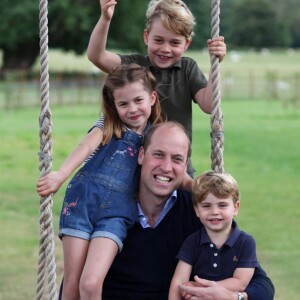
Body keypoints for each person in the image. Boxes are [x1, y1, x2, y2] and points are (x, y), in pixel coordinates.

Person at [59, 121, 275, 300]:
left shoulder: (197, 211)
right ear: (141, 155)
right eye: (159, 155)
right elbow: (76, 285)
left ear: (185, 165)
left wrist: (233, 296)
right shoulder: (108, 209)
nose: (166, 167)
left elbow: (262, 286)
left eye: (177, 159)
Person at [36, 64, 164, 300]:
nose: (132, 109)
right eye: (123, 104)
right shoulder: (108, 124)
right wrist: (60, 175)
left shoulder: (155, 136)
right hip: (82, 203)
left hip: (117, 213)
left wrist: (192, 185)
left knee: (92, 282)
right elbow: (85, 146)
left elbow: (165, 169)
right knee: (72, 286)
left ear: (152, 97)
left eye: (138, 100)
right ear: (114, 105)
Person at [87, 0, 227, 176]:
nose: (165, 49)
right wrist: (105, 19)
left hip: (176, 166)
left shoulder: (188, 68)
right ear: (146, 37)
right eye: (158, 40)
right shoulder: (134, 66)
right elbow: (96, 56)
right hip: (136, 167)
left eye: (175, 43)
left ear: (187, 44)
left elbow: (209, 105)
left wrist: (216, 64)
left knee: (187, 200)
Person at [169, 171, 259, 300]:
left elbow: (240, 282)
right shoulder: (192, 241)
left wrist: (201, 289)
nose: (214, 212)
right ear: (197, 210)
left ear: (236, 207)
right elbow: (178, 282)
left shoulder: (246, 242)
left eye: (222, 205)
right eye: (206, 206)